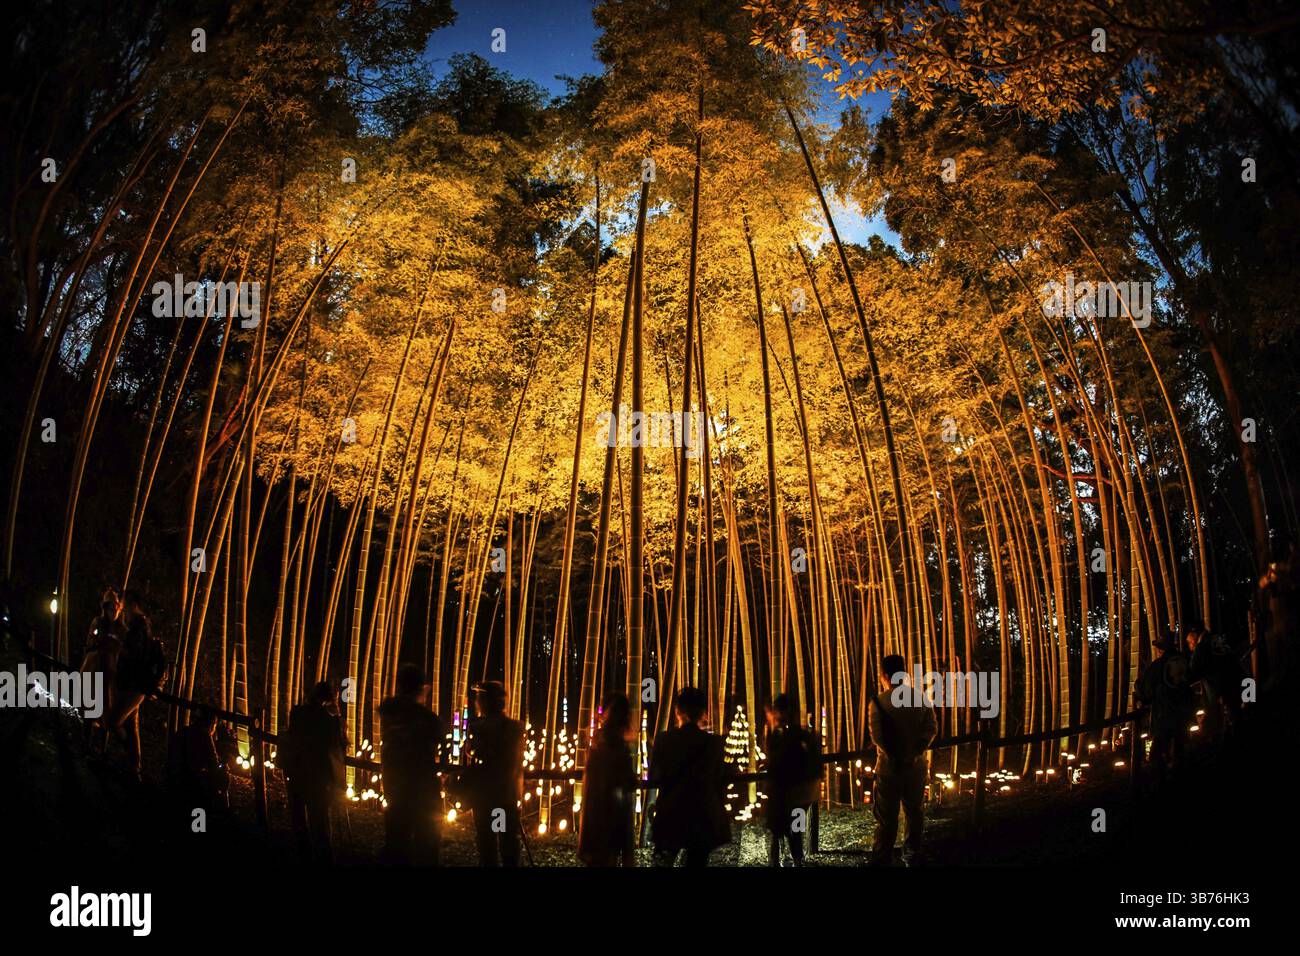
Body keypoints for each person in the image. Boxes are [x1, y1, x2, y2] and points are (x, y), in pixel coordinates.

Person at [647, 686, 730, 867]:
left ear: (677, 711)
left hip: (670, 814)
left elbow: (653, 775)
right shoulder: (713, 744)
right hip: (702, 816)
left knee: (662, 863)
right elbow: (719, 779)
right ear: (702, 713)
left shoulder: (663, 740)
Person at [868, 654, 937, 866]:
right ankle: (912, 854)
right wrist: (914, 752)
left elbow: (877, 736)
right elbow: (931, 728)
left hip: (889, 769)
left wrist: (894, 756)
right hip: (915, 768)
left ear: (885, 676)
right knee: (914, 812)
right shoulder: (920, 698)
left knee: (886, 818)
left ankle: (883, 857)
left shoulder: (879, 702)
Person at [378, 664, 445, 865]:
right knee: (428, 841)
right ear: (422, 688)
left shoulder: (388, 711)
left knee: (397, 839)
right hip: (422, 789)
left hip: (394, 786)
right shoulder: (427, 719)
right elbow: (439, 742)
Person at [280, 680, 347, 865]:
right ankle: (324, 860)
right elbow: (338, 748)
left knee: (299, 820)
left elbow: (292, 737)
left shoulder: (297, 713)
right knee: (320, 824)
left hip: (296, 773)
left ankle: (303, 857)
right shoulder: (330, 721)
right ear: (330, 699)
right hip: (318, 779)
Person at [106, 591, 166, 778]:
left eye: (123, 605)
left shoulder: (139, 627)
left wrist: (119, 646)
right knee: (131, 725)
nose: (122, 610)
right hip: (133, 683)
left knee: (112, 721)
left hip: (136, 685)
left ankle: (130, 757)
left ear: (132, 605)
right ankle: (134, 766)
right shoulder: (138, 625)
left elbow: (135, 657)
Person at [464, 679, 524, 867]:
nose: (476, 701)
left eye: (479, 697)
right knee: (505, 839)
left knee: (488, 839)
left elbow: (473, 752)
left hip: (488, 796)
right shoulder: (515, 727)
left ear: (485, 701)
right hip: (506, 795)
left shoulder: (479, 727)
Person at [762, 693, 821, 867]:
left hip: (794, 792)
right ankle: (788, 860)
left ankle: (792, 860)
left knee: (789, 829)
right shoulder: (781, 734)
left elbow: (777, 762)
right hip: (791, 792)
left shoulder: (794, 735)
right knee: (784, 829)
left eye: (778, 711)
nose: (776, 715)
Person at [578, 692, 636, 867]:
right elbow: (623, 779)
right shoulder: (613, 745)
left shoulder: (597, 741)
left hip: (597, 810)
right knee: (607, 856)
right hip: (610, 810)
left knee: (599, 858)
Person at [1135, 632, 1196, 790]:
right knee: (1180, 747)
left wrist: (1139, 691)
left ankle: (1162, 786)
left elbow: (1145, 691)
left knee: (1156, 753)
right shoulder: (1185, 660)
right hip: (1184, 713)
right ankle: (1182, 780)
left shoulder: (1158, 666)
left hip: (1165, 715)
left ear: (1161, 649)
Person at [79, 589, 125, 751]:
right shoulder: (98, 622)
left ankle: (102, 748)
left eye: (116, 608)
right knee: (90, 705)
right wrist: (99, 641)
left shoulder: (121, 629)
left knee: (107, 709)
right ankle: (85, 741)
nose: (113, 612)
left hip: (110, 672)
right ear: (105, 608)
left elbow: (123, 649)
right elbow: (90, 642)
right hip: (94, 668)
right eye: (110, 608)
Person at [166, 706, 229, 816]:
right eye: (214, 725)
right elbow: (214, 764)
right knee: (224, 775)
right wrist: (222, 767)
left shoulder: (183, 730)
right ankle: (220, 812)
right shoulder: (205, 735)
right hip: (190, 780)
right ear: (211, 724)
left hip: (172, 776)